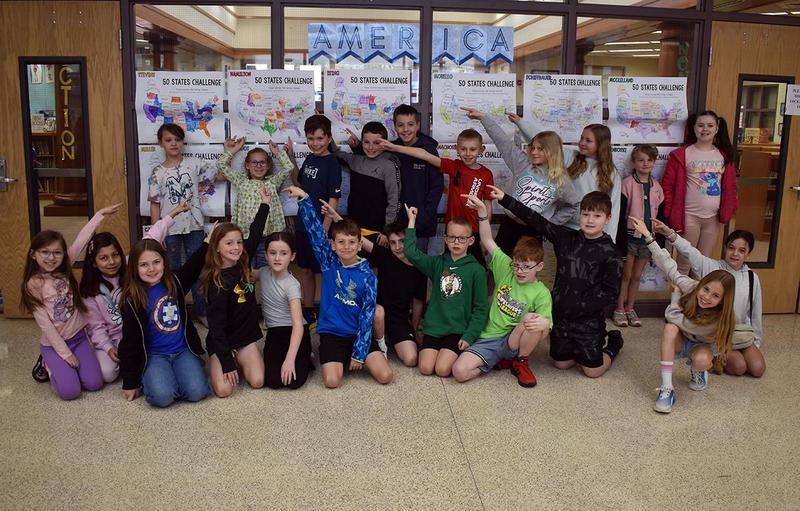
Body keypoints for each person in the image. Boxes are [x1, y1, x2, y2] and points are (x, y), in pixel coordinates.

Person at [491, 185, 624, 378]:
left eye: (597, 216)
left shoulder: (612, 253)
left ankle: (613, 344)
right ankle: (578, 348)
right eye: (586, 214)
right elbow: (536, 220)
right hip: (561, 317)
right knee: (561, 364)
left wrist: (581, 306)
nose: (590, 220)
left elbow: (611, 293)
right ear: (580, 215)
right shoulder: (565, 237)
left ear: (607, 219)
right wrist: (504, 198)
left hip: (588, 321)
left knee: (592, 371)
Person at [285, 185, 393, 388]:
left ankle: (361, 353)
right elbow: (316, 233)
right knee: (332, 381)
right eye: (341, 242)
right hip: (332, 334)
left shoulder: (368, 276)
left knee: (386, 376)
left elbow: (367, 314)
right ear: (333, 245)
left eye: (352, 242)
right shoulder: (328, 262)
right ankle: (335, 357)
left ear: (360, 245)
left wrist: (359, 353)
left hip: (357, 333)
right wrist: (305, 199)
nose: (346, 247)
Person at [629, 217, 736, 414]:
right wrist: (648, 236)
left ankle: (698, 370)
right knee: (670, 329)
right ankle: (667, 388)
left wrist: (676, 296)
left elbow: (675, 317)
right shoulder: (693, 287)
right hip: (682, 339)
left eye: (715, 296)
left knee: (701, 359)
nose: (706, 297)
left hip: (702, 347)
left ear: (723, 301)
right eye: (706, 289)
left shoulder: (719, 318)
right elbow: (669, 266)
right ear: (701, 284)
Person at [21, 203, 121, 399]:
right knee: (70, 392)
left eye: (57, 252)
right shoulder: (33, 284)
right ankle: (47, 364)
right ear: (33, 254)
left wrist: (99, 215)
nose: (51, 258)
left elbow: (81, 241)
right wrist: (65, 354)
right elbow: (46, 325)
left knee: (94, 383)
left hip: (79, 338)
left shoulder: (64, 267)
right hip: (54, 344)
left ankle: (67, 370)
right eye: (45, 252)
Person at [80, 202, 187, 383]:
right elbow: (96, 326)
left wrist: (173, 214)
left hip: (138, 334)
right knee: (107, 374)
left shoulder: (132, 267)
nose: (111, 262)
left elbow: (152, 237)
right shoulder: (90, 291)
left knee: (143, 363)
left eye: (115, 255)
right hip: (111, 339)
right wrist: (107, 347)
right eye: (103, 258)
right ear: (93, 262)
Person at [451, 195, 552, 387]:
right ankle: (497, 361)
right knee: (459, 372)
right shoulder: (506, 268)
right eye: (517, 265)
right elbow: (487, 239)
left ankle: (520, 361)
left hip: (514, 340)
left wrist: (544, 324)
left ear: (539, 266)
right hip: (488, 338)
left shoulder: (542, 292)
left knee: (534, 319)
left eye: (526, 267)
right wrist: (482, 212)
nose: (519, 271)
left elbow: (545, 330)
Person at [650, 222, 765, 378]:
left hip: (741, 333)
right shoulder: (711, 266)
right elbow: (689, 251)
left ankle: (730, 354)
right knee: (739, 367)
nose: (735, 254)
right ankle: (711, 358)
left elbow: (755, 312)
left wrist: (755, 342)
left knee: (758, 369)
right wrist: (669, 233)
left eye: (741, 250)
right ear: (725, 248)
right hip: (718, 334)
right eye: (731, 248)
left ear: (748, 254)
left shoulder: (752, 277)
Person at [118, 226, 215, 407]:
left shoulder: (175, 281)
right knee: (162, 397)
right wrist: (130, 382)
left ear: (164, 262)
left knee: (197, 392)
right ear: (135, 268)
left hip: (182, 351)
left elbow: (194, 265)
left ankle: (178, 376)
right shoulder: (131, 299)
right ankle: (155, 378)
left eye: (156, 262)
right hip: (154, 355)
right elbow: (129, 342)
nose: (151, 269)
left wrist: (207, 242)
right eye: (144, 265)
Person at [321, 201, 426, 367]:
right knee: (378, 312)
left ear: (411, 240)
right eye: (393, 242)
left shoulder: (419, 269)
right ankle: (378, 342)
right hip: (373, 313)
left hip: (397, 319)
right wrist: (334, 216)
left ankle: (391, 338)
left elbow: (418, 302)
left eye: (402, 241)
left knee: (411, 358)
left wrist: (413, 329)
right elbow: (356, 237)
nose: (398, 247)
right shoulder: (385, 256)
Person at [462, 107, 579, 254]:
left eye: (540, 149)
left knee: (526, 265)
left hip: (533, 231)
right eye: (533, 148)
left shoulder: (561, 180)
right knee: (498, 263)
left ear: (552, 151)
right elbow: (503, 142)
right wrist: (483, 118)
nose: (534, 152)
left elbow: (573, 205)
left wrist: (549, 224)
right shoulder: (522, 164)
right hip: (509, 226)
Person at [379, 128, 494, 265]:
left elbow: (487, 206)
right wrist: (395, 147)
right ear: (456, 149)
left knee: (477, 266)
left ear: (481, 150)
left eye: (473, 149)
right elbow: (425, 155)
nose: (468, 153)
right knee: (450, 266)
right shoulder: (454, 166)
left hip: (474, 230)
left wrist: (485, 235)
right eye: (463, 149)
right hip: (452, 229)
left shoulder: (486, 174)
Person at [147, 122, 225, 325]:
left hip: (194, 225)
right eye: (168, 140)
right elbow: (154, 204)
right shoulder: (157, 172)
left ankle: (202, 311)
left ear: (183, 142)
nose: (173, 143)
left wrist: (229, 153)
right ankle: (174, 313)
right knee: (171, 271)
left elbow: (220, 175)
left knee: (199, 269)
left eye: (177, 139)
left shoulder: (194, 164)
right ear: (161, 143)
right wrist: (156, 235)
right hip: (169, 228)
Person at [201, 187, 273, 398]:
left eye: (239, 242)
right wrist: (226, 362)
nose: (236, 247)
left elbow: (256, 230)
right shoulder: (216, 283)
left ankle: (242, 358)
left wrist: (265, 203)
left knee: (258, 381)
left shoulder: (243, 261)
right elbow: (216, 327)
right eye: (229, 243)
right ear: (217, 247)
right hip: (222, 341)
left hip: (244, 337)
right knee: (224, 391)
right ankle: (220, 361)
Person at [403, 204, 489, 377]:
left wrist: (469, 335)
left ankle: (467, 354)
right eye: (452, 237)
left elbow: (481, 308)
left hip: (458, 329)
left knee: (442, 370)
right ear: (445, 239)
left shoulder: (477, 270)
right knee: (426, 368)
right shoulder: (437, 263)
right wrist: (412, 221)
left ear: (471, 241)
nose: (456, 242)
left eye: (462, 238)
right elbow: (410, 252)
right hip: (434, 328)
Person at [661, 110, 738, 275]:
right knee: (684, 264)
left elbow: (731, 187)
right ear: (694, 128)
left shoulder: (724, 155)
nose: (705, 129)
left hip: (712, 219)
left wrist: (729, 209)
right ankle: (678, 293)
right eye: (701, 125)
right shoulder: (682, 154)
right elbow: (668, 186)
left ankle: (698, 293)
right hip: (688, 217)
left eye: (710, 125)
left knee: (703, 265)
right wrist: (670, 212)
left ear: (717, 128)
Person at [216, 136, 297, 268]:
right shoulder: (241, 181)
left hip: (268, 239)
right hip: (246, 238)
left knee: (267, 273)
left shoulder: (272, 182)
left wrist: (277, 152)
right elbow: (221, 164)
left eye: (262, 162)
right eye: (254, 162)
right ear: (247, 165)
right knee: (246, 272)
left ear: (268, 165)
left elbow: (289, 167)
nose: (258, 166)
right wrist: (235, 149)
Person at [294, 115, 343, 326]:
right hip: (303, 225)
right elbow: (300, 184)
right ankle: (308, 311)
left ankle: (329, 313)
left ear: (329, 138)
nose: (315, 143)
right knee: (305, 269)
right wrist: (289, 157)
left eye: (320, 138)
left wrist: (324, 228)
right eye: (311, 138)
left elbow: (334, 198)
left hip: (321, 228)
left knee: (326, 272)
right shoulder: (309, 159)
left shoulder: (332, 163)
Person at [613, 145, 665, 328]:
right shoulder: (627, 184)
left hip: (647, 239)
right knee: (626, 275)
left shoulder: (657, 187)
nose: (645, 164)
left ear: (654, 162)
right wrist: (620, 240)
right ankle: (619, 308)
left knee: (636, 276)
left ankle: (630, 308)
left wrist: (659, 242)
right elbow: (620, 215)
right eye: (641, 160)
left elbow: (660, 215)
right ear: (634, 162)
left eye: (649, 160)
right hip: (630, 238)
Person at [260, 231, 314, 389]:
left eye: (283, 253)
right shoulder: (263, 272)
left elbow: (298, 325)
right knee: (273, 382)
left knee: (294, 382)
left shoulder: (292, 285)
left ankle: (306, 354)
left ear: (292, 256)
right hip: (275, 332)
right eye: (272, 253)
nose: (277, 258)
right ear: (266, 255)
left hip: (296, 330)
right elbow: (245, 274)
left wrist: (290, 361)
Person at [387, 104, 443, 252]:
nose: (406, 129)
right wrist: (356, 147)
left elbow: (437, 187)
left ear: (418, 125)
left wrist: (423, 216)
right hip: (396, 225)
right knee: (395, 264)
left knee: (417, 264)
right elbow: (371, 154)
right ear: (395, 127)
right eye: (401, 125)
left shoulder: (429, 151)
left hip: (421, 225)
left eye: (410, 124)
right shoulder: (391, 149)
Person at [333, 122, 401, 244]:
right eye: (366, 142)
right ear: (362, 142)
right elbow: (335, 153)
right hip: (354, 227)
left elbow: (394, 200)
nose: (371, 147)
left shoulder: (389, 165)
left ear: (385, 143)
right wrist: (327, 131)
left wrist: (387, 230)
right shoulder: (356, 160)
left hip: (378, 232)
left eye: (376, 143)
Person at [561, 124, 622, 240]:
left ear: (601, 144)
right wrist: (523, 121)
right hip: (565, 229)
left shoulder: (611, 173)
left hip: (592, 234)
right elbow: (546, 143)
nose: (582, 143)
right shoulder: (571, 157)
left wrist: (609, 242)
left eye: (588, 140)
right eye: (581, 138)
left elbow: (613, 209)